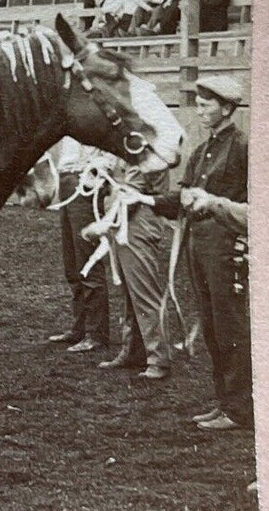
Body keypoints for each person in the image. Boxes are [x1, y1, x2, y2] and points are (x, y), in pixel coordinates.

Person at [155, 75, 251, 430]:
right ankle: (224, 402)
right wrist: (146, 200)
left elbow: (250, 202)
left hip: (227, 250)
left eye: (206, 104)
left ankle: (239, 408)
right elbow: (182, 196)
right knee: (212, 327)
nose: (200, 110)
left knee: (230, 328)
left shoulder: (241, 146)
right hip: (200, 248)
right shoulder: (202, 150)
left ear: (227, 108)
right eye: (198, 104)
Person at [91, 159, 175, 381]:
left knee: (145, 295)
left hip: (138, 227)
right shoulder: (132, 150)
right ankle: (133, 351)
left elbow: (130, 194)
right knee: (129, 294)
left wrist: (103, 224)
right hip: (125, 225)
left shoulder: (147, 152)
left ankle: (158, 358)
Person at [43, 139, 111, 354]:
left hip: (85, 184)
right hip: (67, 181)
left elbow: (111, 152)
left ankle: (96, 333)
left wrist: (96, 176)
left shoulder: (98, 112)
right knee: (72, 263)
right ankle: (80, 327)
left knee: (87, 260)